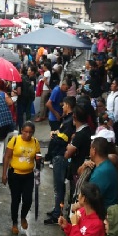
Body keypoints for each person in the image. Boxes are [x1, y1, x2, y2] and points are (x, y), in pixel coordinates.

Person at [2, 121, 40, 233]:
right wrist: (4, 174)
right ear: (21, 131)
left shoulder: (35, 142)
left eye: (30, 132)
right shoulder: (14, 140)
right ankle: (14, 223)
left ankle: (23, 217)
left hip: (28, 175)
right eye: (25, 132)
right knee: (16, 199)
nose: (28, 135)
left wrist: (37, 176)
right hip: (15, 175)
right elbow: (7, 157)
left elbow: (38, 159)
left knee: (28, 199)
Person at [44, 96, 76, 224]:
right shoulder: (68, 119)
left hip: (61, 156)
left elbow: (63, 139)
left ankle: (58, 213)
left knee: (59, 187)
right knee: (59, 187)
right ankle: (57, 209)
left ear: (68, 105)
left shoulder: (69, 121)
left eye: (63, 105)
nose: (62, 107)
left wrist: (54, 135)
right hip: (59, 155)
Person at [85, 137, 118, 209]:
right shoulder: (105, 164)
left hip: (104, 214)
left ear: (94, 151)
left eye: (90, 148)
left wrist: (77, 205)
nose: (89, 150)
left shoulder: (102, 172)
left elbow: (90, 198)